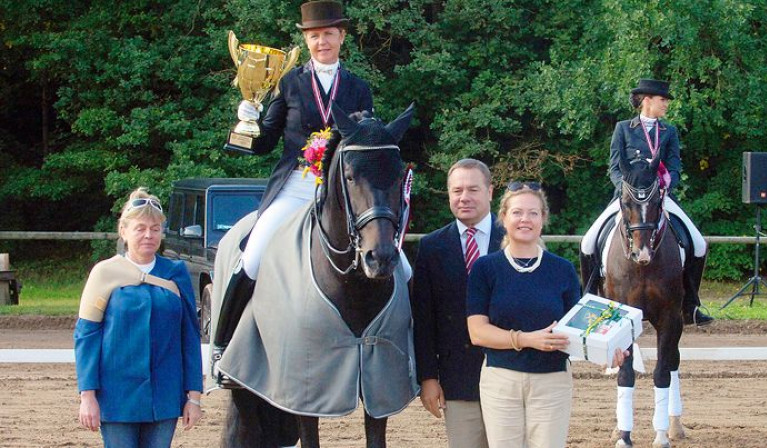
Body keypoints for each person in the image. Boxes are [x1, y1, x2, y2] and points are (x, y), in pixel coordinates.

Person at [214, 0, 375, 358]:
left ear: (342, 37)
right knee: (252, 255)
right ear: (306, 41)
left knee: (399, 264)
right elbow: (266, 142)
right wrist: (247, 123)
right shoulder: (288, 83)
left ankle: (399, 348)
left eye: (328, 34)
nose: (322, 42)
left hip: (343, 191)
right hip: (296, 186)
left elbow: (365, 141)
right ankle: (223, 346)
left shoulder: (358, 88)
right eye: (315, 36)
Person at [466, 182, 628, 448]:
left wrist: (606, 350)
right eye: (517, 212)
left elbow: (578, 330)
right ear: (503, 218)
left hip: (552, 383)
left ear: (543, 219)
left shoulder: (562, 270)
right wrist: (527, 340)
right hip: (500, 381)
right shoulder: (485, 269)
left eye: (533, 213)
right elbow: (477, 332)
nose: (525, 219)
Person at [74, 188, 203, 448]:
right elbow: (87, 335)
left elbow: (189, 336)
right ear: (124, 231)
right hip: (116, 395)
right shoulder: (104, 273)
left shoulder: (176, 273)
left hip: (164, 396)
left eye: (155, 229)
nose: (148, 235)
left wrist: (194, 396)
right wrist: (87, 395)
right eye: (140, 228)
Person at [580, 78, 713, 326]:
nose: (666, 105)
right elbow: (614, 168)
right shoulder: (623, 128)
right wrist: (627, 190)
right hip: (629, 199)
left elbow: (674, 167)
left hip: (658, 198)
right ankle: (588, 298)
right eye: (663, 100)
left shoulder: (669, 131)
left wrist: (664, 188)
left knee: (698, 243)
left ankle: (691, 304)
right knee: (588, 241)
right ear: (647, 100)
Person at [412, 159, 502, 448]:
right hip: (458, 381)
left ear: (490, 192)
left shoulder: (516, 239)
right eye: (457, 190)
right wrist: (427, 377)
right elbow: (423, 320)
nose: (464, 197)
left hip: (511, 377)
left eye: (473, 189)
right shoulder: (431, 247)